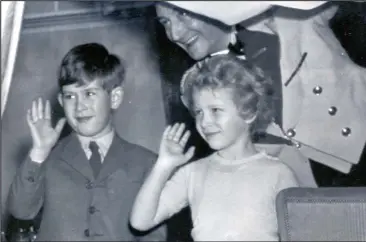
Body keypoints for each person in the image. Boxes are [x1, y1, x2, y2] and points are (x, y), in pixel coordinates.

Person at [155, 1, 366, 187]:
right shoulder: (195, 84)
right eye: (165, 22)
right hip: (300, 185)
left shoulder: (287, 16)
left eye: (182, 14)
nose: (175, 33)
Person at [130, 54, 299, 241]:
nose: (205, 122)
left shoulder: (278, 173)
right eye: (199, 112)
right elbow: (140, 222)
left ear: (249, 112)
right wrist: (164, 165)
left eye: (215, 110)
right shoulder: (193, 173)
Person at [8, 43, 166, 241]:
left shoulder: (147, 163)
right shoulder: (47, 159)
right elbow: (21, 210)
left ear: (115, 98)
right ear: (60, 100)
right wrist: (39, 151)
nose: (79, 106)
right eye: (70, 96)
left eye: (89, 94)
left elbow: (155, 237)